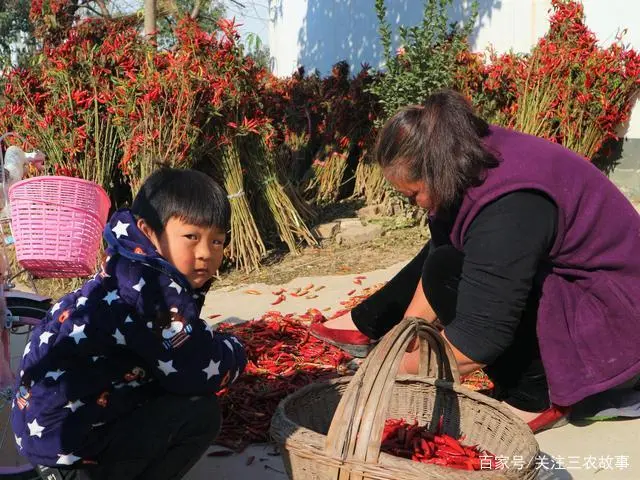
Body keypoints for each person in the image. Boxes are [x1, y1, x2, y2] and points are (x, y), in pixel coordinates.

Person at [311, 89, 640, 433]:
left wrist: (389, 374)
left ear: (436, 171)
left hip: (616, 320)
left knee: (457, 276)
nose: (415, 204)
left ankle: (538, 396)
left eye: (413, 194)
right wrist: (402, 340)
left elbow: (481, 337)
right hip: (587, 288)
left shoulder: (511, 203)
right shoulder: (462, 154)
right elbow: (439, 260)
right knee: (443, 266)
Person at [12, 168, 247, 479]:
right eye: (192, 237)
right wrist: (237, 350)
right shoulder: (155, 290)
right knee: (200, 414)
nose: (205, 253)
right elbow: (196, 367)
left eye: (217, 241)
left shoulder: (127, 265)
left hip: (45, 424)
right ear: (147, 230)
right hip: (68, 437)